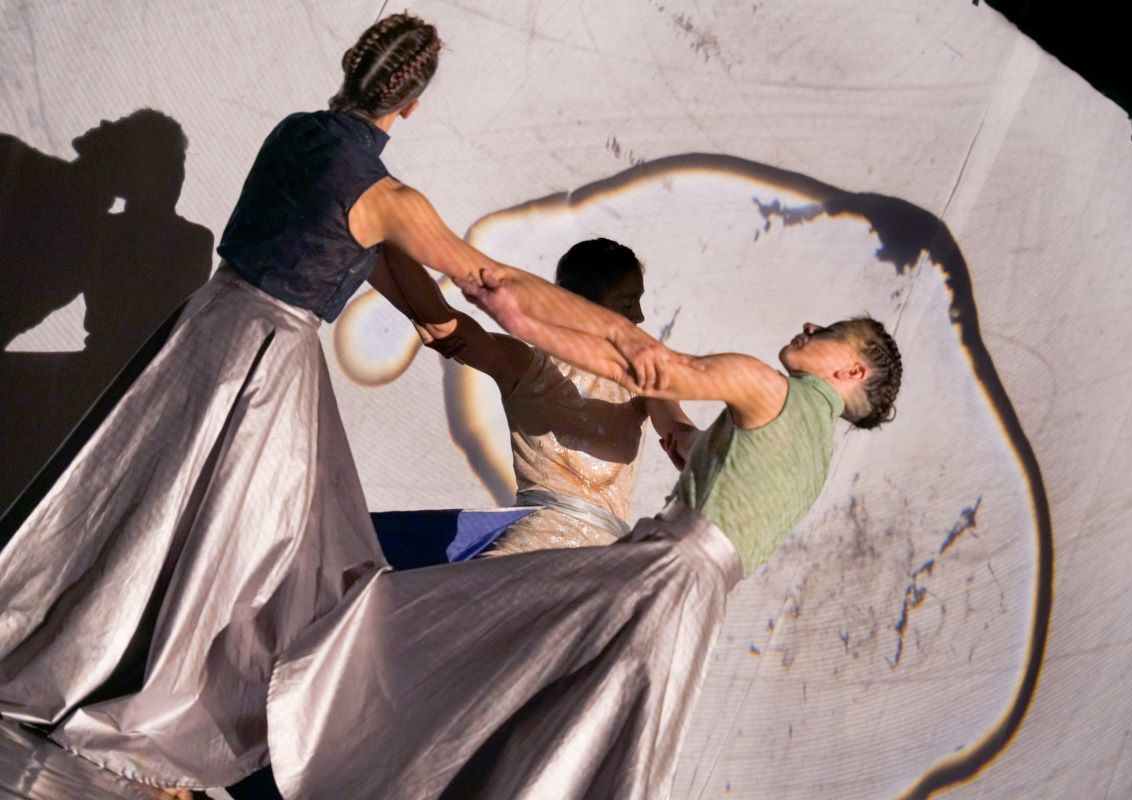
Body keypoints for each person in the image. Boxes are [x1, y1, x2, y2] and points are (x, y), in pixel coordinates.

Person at [0, 13, 685, 797]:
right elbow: (489, 285)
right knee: (249, 545)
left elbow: (390, 272)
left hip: (204, 330)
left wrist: (438, 322)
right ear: (413, 103)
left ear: (355, 71)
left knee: (156, 511)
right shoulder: (392, 197)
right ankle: (180, 705)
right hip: (267, 362)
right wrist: (628, 344)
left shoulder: (294, 134)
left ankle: (96, 655)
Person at [265, 275, 902, 799]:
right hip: (666, 594)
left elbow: (652, 377)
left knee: (453, 684)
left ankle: (333, 744)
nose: (639, 317)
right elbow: (689, 443)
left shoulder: (755, 387)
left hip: (631, 572)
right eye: (629, 303)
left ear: (850, 369)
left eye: (830, 331)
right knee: (562, 738)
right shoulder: (816, 455)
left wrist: (494, 298)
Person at [414, 237, 697, 555]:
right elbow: (439, 325)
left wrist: (705, 455)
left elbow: (679, 429)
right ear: (584, 305)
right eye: (629, 303)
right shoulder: (525, 365)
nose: (640, 316)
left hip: (605, 559)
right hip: (531, 548)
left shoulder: (645, 379)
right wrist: (383, 245)